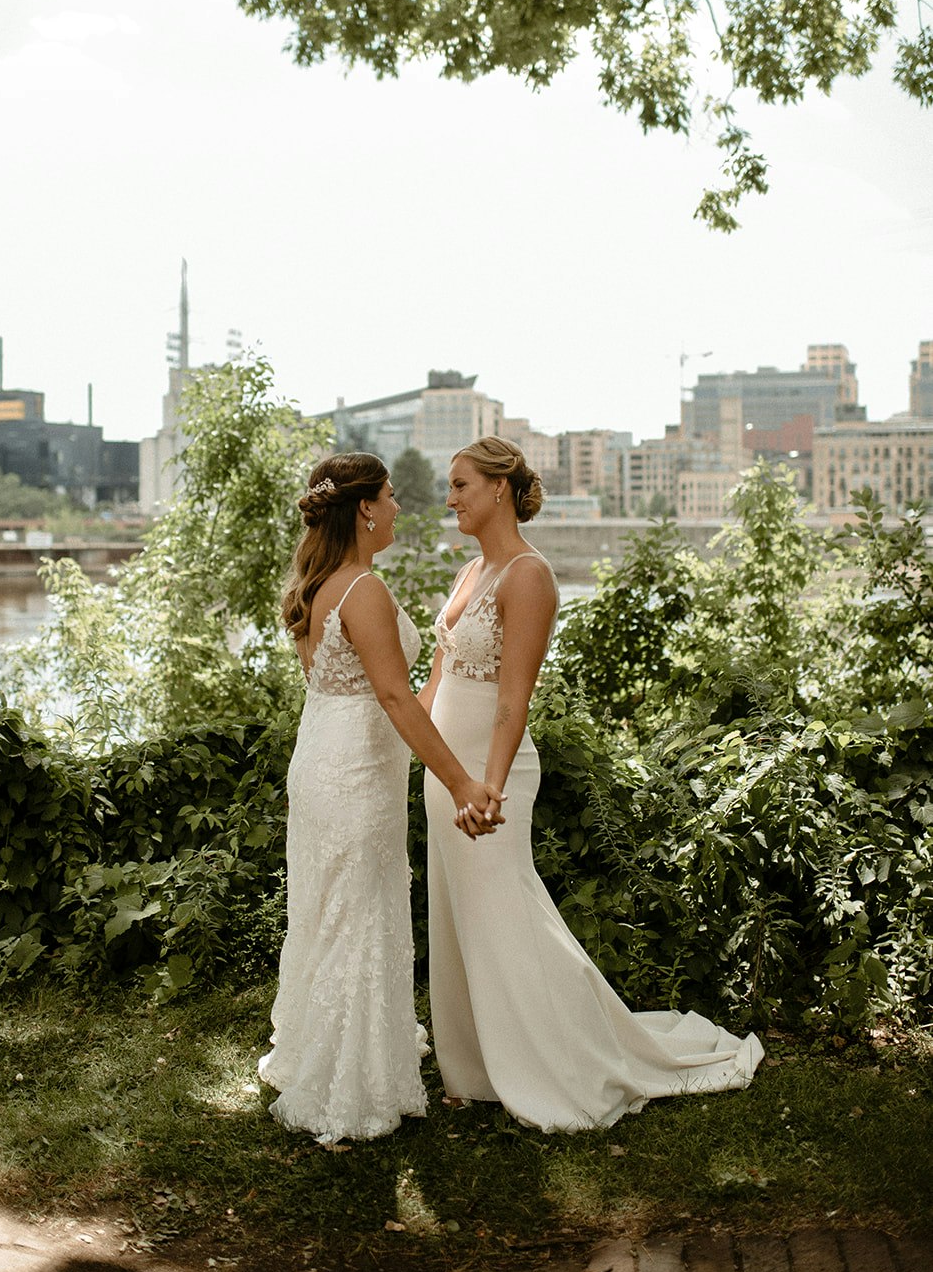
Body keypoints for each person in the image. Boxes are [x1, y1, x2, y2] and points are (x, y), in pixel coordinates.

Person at [419, 436, 763, 1132]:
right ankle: (477, 1067)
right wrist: (418, 757)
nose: (449, 497)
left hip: (492, 775)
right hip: (446, 773)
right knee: (460, 920)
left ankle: (551, 1062)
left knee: (509, 919)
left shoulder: (529, 575)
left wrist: (486, 785)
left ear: (500, 488)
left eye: (459, 484)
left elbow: (514, 699)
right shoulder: (465, 574)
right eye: (448, 486)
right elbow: (436, 681)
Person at [258, 452, 504, 1145]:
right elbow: (393, 698)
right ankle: (350, 1084)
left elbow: (384, 692)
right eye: (392, 498)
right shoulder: (361, 589)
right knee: (357, 913)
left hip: (325, 760)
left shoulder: (323, 585)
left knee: (328, 912)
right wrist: (461, 781)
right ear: (365, 509)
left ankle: (325, 1052)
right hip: (356, 773)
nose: (399, 508)